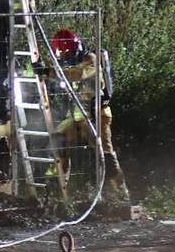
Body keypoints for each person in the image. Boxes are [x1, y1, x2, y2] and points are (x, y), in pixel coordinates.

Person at [49, 29, 130, 205]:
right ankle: (62, 195)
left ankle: (122, 195)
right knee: (59, 142)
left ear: (75, 49)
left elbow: (76, 74)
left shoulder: (91, 60)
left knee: (105, 156)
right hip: (78, 115)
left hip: (98, 114)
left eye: (67, 53)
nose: (64, 57)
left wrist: (49, 72)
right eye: (62, 54)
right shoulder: (67, 64)